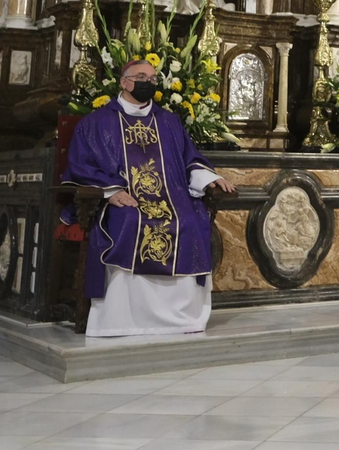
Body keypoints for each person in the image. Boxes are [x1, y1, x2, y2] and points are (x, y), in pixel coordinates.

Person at [63, 58, 238, 336]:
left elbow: (189, 159)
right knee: (128, 219)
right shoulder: (96, 123)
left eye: (153, 79)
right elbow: (81, 166)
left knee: (190, 221)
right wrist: (111, 192)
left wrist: (210, 178)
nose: (148, 83)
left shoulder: (169, 122)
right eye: (141, 77)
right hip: (123, 199)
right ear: (124, 82)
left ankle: (184, 318)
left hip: (171, 198)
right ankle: (121, 318)